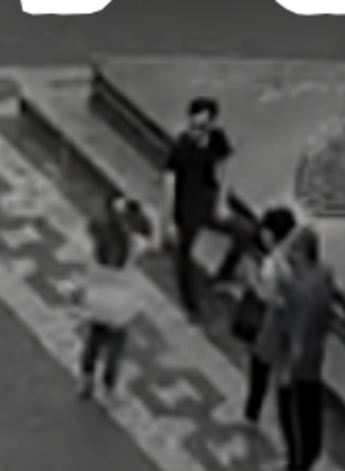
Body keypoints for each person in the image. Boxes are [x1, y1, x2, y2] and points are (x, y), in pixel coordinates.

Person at [164, 98, 240, 315]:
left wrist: (222, 201)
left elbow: (224, 168)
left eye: (202, 127)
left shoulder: (217, 139)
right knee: (184, 253)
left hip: (207, 197)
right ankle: (189, 301)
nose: (197, 131)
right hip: (186, 204)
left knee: (245, 231)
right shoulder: (181, 147)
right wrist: (168, 220)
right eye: (194, 125)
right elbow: (169, 184)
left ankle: (224, 275)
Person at [271, 229, 337, 471]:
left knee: (291, 410)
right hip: (316, 350)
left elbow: (298, 332)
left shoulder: (300, 288)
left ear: (303, 254)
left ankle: (296, 462)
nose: (289, 255)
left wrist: (287, 370)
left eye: (294, 251)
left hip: (297, 356)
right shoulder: (324, 273)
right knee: (311, 405)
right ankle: (311, 452)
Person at [77, 190, 151, 400]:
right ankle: (109, 385)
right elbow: (147, 232)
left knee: (93, 340)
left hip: (97, 303)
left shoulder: (95, 250)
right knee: (115, 348)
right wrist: (133, 210)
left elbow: (93, 227)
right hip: (121, 308)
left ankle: (85, 378)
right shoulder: (131, 249)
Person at [230, 208, 298, 432]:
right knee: (260, 370)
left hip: (274, 325)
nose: (265, 236)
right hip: (263, 323)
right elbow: (257, 287)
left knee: (266, 371)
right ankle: (253, 412)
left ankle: (255, 412)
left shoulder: (285, 258)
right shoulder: (257, 255)